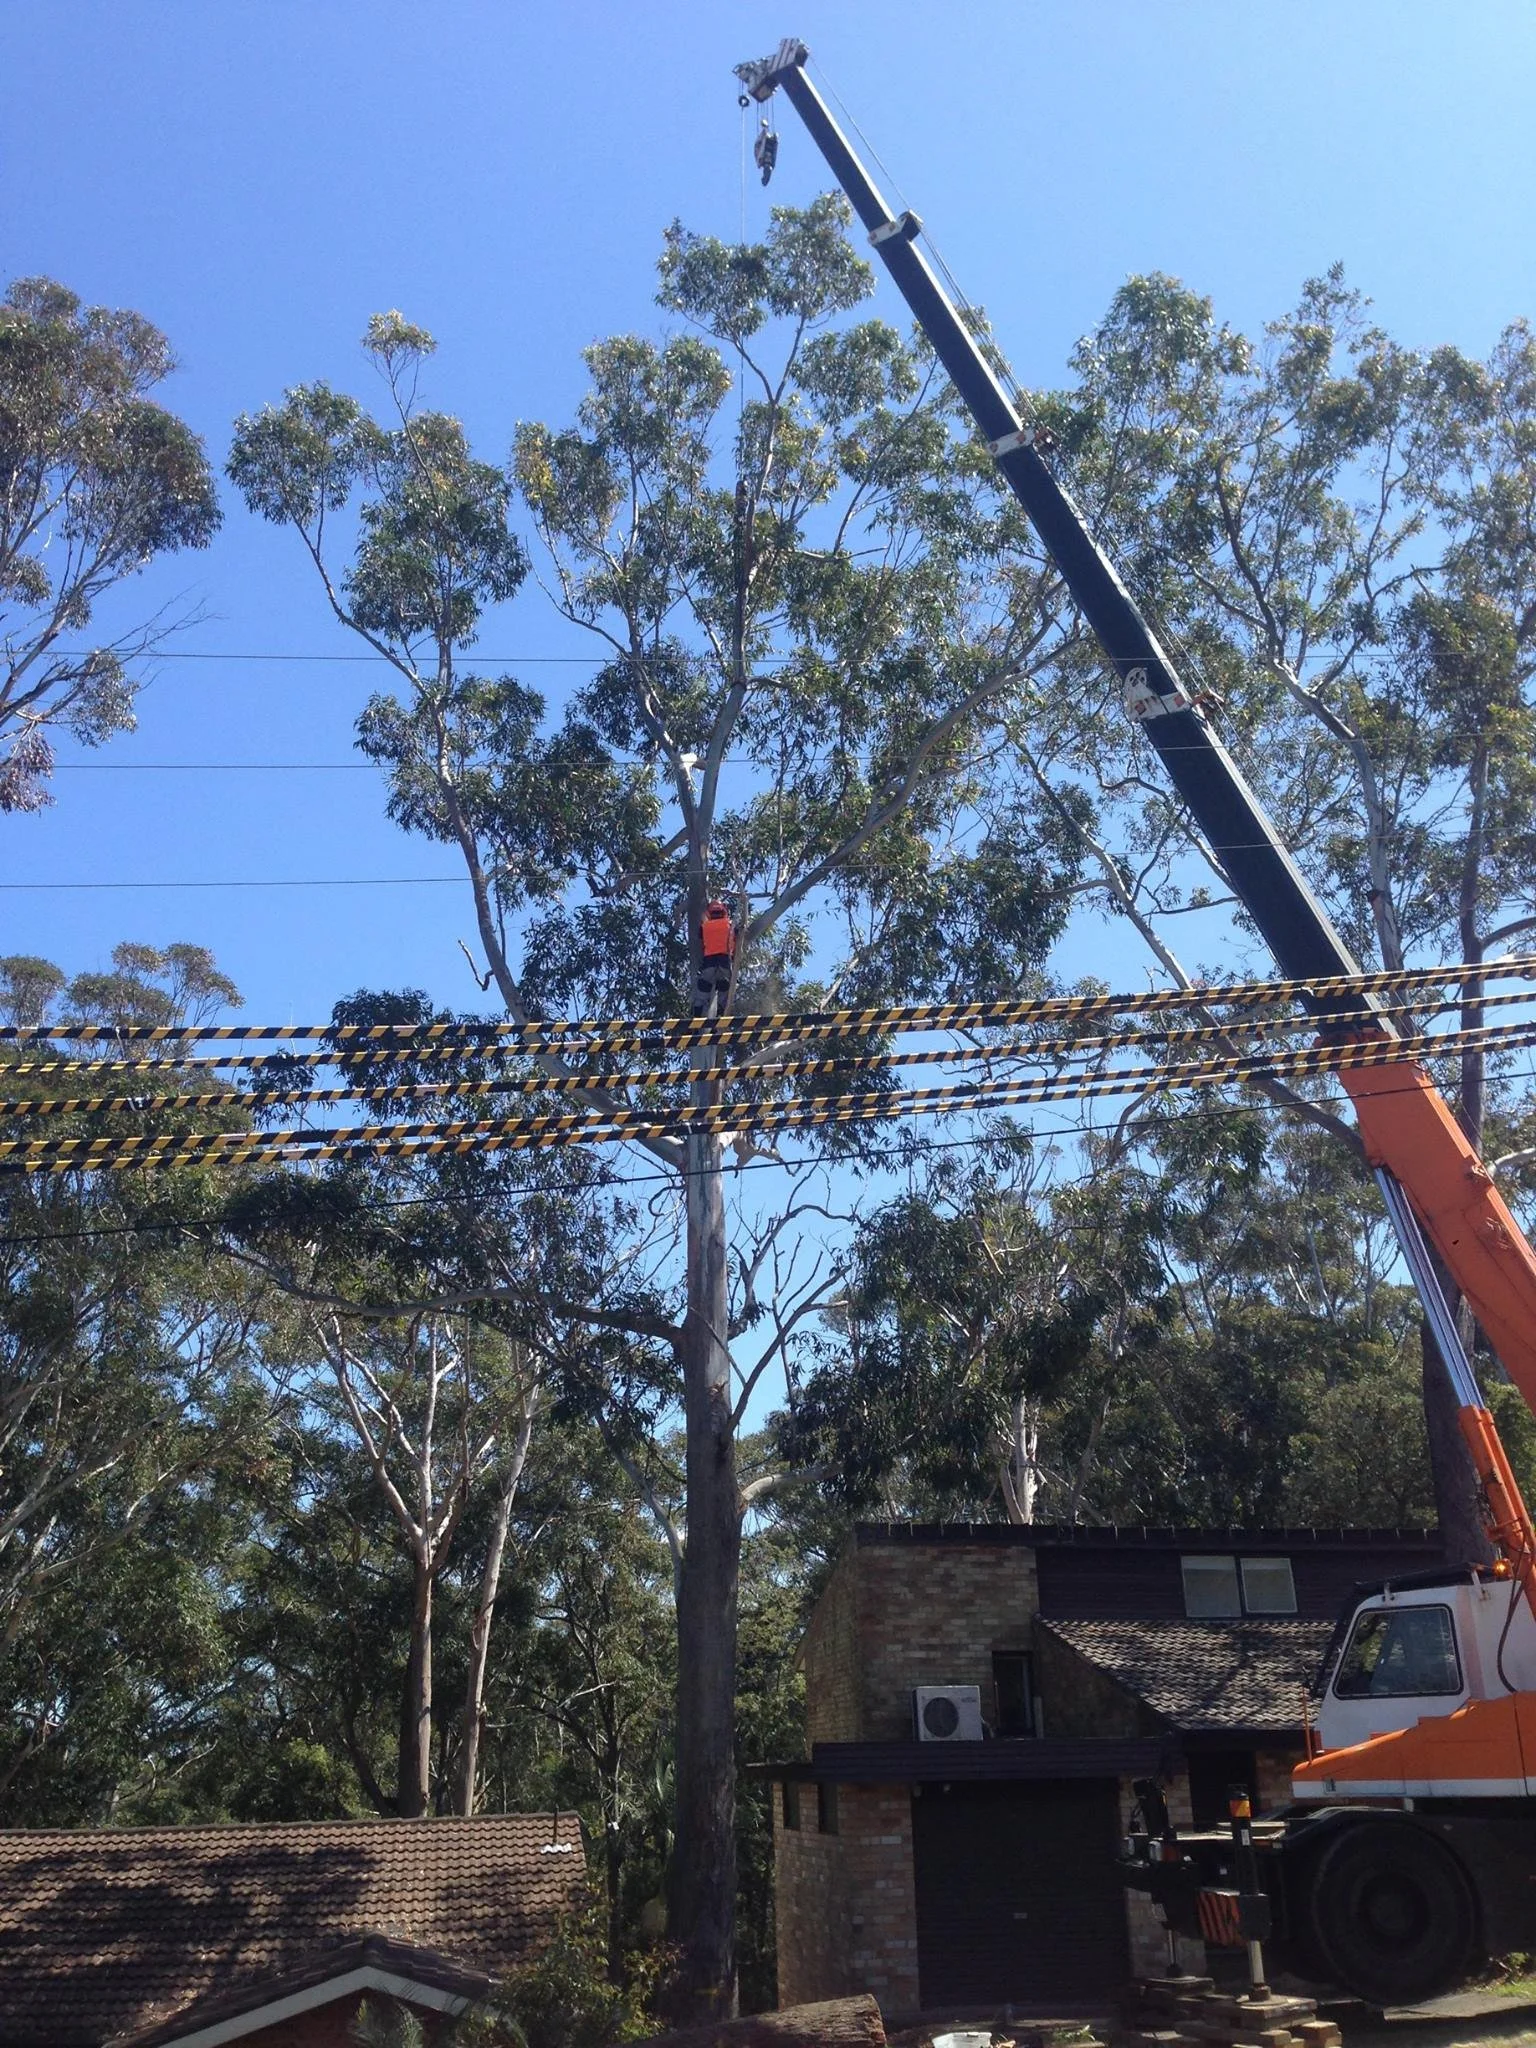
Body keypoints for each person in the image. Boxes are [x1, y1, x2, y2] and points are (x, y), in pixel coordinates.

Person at [695, 900, 737, 1018]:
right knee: (724, 987)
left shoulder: (704, 926)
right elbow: (736, 938)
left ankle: (697, 1014)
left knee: (703, 987)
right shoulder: (730, 925)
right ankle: (721, 1014)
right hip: (724, 961)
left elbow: (700, 941)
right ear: (723, 911)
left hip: (709, 961)